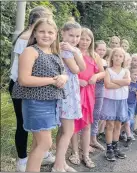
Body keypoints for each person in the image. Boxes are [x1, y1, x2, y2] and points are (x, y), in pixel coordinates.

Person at [12, 18, 68, 172]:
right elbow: (24, 79)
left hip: (51, 103)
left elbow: (62, 73)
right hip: (35, 103)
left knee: (38, 144)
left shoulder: (55, 52)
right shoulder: (30, 51)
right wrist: (52, 80)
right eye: (42, 31)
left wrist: (64, 77)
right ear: (35, 33)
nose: (46, 35)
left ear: (56, 34)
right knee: (45, 144)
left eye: (50, 32)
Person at [8, 6, 55, 172]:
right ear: (35, 23)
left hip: (33, 86)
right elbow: (25, 73)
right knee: (23, 123)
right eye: (45, 20)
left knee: (34, 126)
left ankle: (39, 154)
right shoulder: (26, 39)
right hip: (22, 85)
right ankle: (22, 159)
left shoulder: (33, 39)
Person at [53, 18, 86, 172]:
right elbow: (77, 69)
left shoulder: (71, 50)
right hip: (67, 93)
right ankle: (58, 166)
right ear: (63, 33)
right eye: (71, 35)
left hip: (70, 92)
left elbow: (83, 66)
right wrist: (75, 51)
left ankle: (61, 162)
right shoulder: (65, 49)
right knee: (67, 131)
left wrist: (75, 51)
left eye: (77, 36)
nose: (75, 39)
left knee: (63, 131)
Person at [69, 28, 105, 168]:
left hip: (89, 92)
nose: (84, 42)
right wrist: (78, 81)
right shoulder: (72, 52)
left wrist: (96, 76)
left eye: (87, 39)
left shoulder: (95, 55)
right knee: (74, 123)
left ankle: (86, 154)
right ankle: (75, 153)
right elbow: (66, 72)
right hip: (74, 91)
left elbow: (103, 73)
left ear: (91, 41)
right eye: (82, 39)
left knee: (87, 124)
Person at [99, 47, 130, 161]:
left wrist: (114, 81)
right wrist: (121, 83)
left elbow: (127, 81)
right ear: (112, 57)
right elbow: (107, 85)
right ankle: (109, 148)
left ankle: (115, 146)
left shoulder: (126, 71)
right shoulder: (108, 70)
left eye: (120, 56)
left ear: (123, 59)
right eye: (116, 55)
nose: (118, 58)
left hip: (121, 100)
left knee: (118, 125)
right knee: (110, 125)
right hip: (110, 99)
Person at [90, 40, 108, 150]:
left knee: (96, 115)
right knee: (87, 114)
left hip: (100, 89)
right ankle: (84, 140)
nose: (101, 51)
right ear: (95, 49)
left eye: (103, 50)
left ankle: (93, 138)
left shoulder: (106, 62)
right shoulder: (92, 59)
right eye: (99, 49)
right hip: (91, 88)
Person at [124, 68, 137, 147]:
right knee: (126, 121)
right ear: (130, 74)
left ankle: (126, 134)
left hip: (131, 105)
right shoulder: (127, 83)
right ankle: (128, 136)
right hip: (124, 102)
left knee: (129, 121)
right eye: (134, 74)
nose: (136, 77)